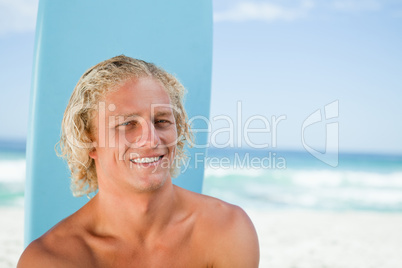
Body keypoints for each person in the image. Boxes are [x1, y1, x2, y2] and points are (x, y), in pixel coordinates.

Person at [18, 55, 259, 267]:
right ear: (88, 141)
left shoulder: (227, 230)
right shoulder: (51, 260)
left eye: (162, 121)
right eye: (127, 124)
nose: (151, 140)